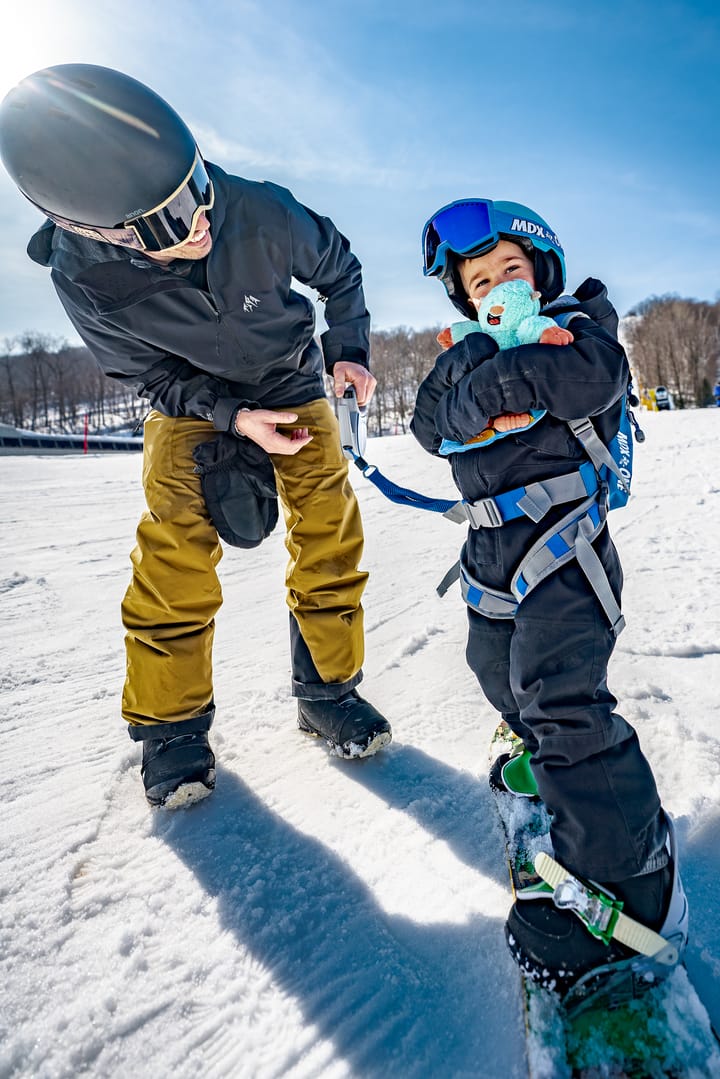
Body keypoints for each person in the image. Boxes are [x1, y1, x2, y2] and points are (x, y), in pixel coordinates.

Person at [0, 63, 391, 809]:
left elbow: (339, 270)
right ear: (101, 232)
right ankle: (172, 729)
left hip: (288, 376)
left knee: (328, 528)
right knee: (174, 547)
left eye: (197, 188)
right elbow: (146, 376)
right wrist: (229, 419)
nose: (201, 219)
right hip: (189, 398)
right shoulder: (83, 276)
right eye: (170, 221)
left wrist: (349, 348)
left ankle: (328, 692)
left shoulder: (262, 212)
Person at [411, 197, 687, 994]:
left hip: (565, 548)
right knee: (492, 662)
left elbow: (586, 377)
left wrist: (495, 388)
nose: (497, 288)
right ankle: (550, 762)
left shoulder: (582, 325)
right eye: (479, 279)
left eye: (511, 270)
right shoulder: (461, 351)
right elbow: (436, 425)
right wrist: (492, 390)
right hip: (491, 549)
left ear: (543, 270)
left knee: (562, 696)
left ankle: (635, 885)